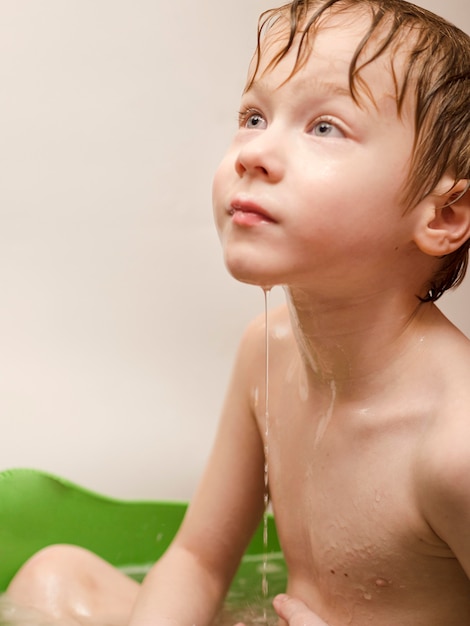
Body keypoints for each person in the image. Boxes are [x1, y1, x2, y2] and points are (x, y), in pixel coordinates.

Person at [5, 0, 470, 624]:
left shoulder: (453, 445)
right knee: (53, 580)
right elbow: (198, 557)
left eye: (324, 126)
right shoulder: (267, 353)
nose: (255, 153)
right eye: (254, 116)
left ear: (442, 216)